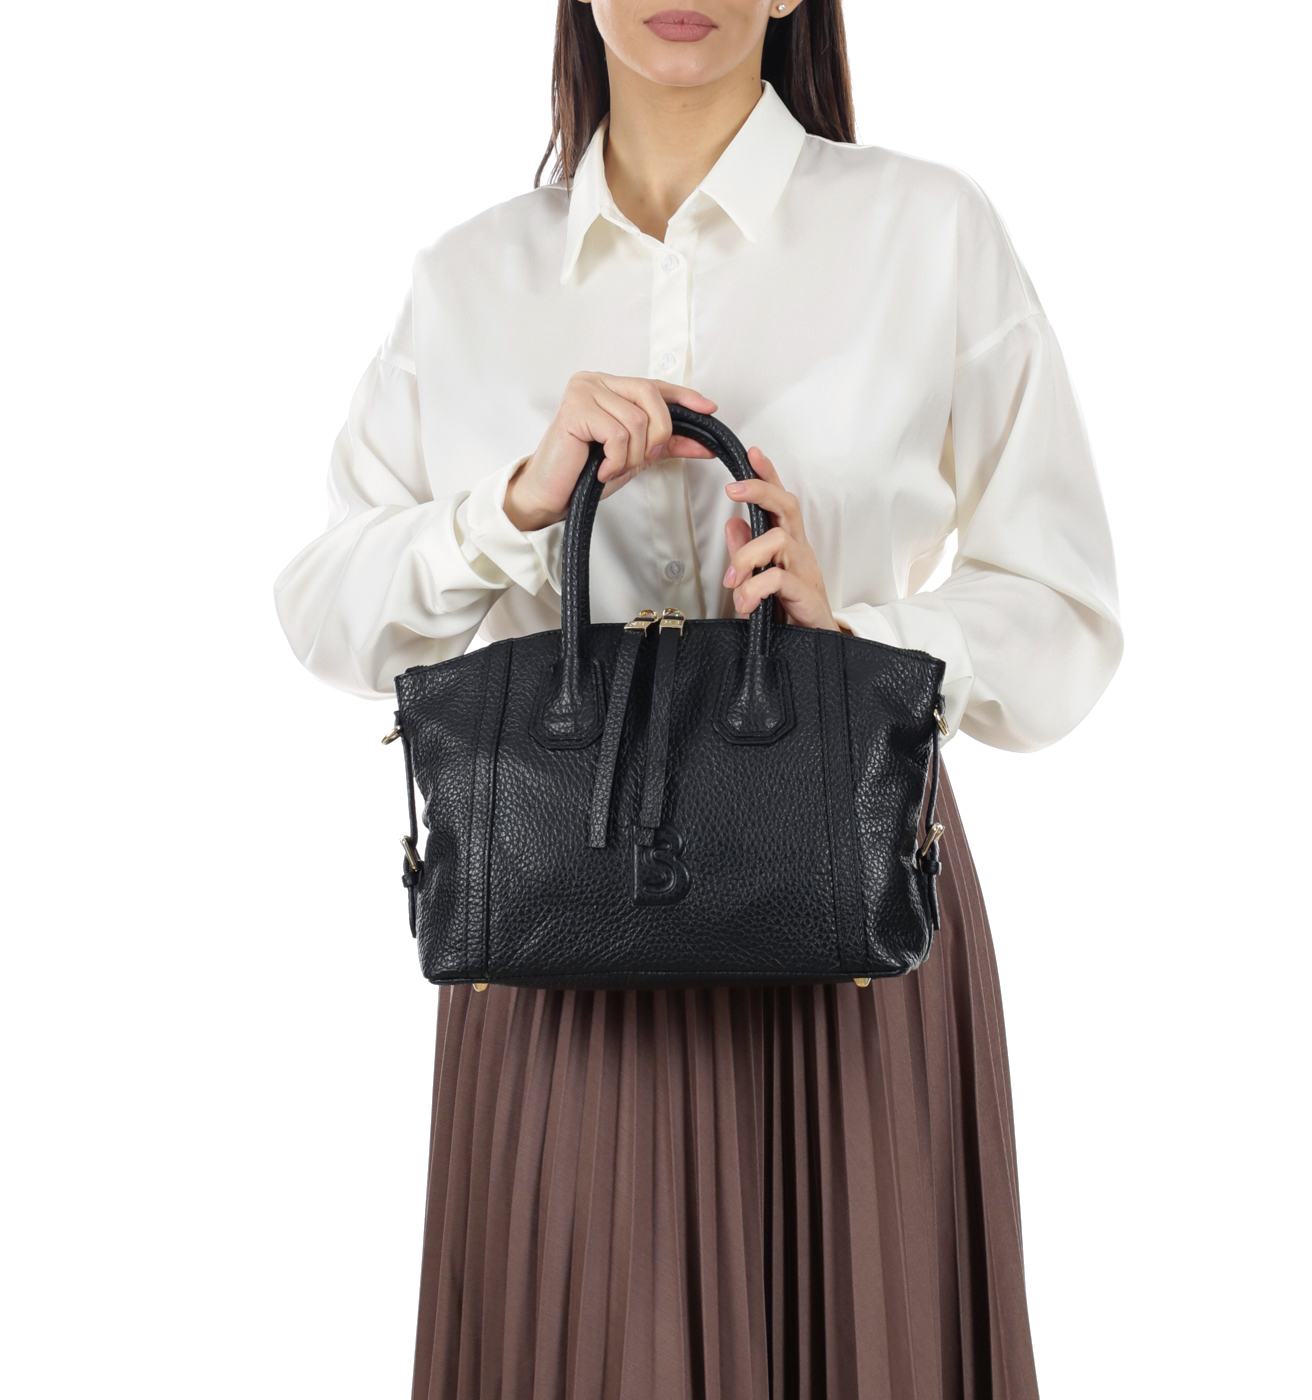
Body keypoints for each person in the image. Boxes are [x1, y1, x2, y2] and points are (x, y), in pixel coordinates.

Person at [273, 1, 1122, 1394]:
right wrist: (513, 507)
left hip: (850, 916)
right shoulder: (471, 278)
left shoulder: (928, 234)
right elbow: (325, 611)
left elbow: (1066, 611)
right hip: (557, 949)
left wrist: (856, 639)